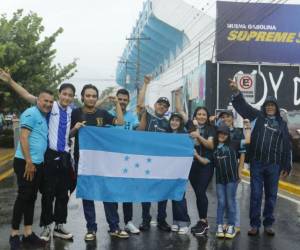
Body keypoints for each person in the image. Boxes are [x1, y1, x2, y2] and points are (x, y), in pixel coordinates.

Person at [0, 68, 76, 241]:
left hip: (63, 158)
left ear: (73, 97)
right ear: (59, 94)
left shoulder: (71, 110)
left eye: (70, 95)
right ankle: (45, 228)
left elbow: (91, 109)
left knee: (62, 195)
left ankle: (57, 226)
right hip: (47, 157)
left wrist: (75, 130)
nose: (66, 97)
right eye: (64, 94)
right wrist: (10, 81)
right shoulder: (49, 106)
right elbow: (27, 95)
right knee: (46, 194)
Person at [229, 79, 292, 236]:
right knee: (256, 195)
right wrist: (237, 92)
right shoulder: (257, 116)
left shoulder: (282, 124)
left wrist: (286, 166)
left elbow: (287, 146)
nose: (270, 107)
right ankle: (254, 224)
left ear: (276, 108)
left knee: (271, 196)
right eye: (268, 105)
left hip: (274, 165)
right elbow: (243, 107)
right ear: (265, 107)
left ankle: (268, 223)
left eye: (273, 105)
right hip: (257, 163)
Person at [70, 84, 124, 241]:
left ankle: (114, 226)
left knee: (108, 192)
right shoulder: (75, 113)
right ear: (82, 97)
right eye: (88, 95)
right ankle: (91, 229)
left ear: (97, 98)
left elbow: (120, 122)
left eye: (94, 96)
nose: (91, 98)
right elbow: (69, 134)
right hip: (84, 161)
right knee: (88, 195)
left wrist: (117, 104)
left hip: (103, 161)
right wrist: (76, 128)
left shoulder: (102, 113)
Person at [9, 90, 54, 250]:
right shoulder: (31, 113)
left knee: (31, 198)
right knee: (23, 197)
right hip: (25, 162)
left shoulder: (42, 116)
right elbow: (23, 137)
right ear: (38, 100)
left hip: (37, 164)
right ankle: (14, 234)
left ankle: (28, 234)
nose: (48, 104)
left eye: (50, 102)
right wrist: (28, 161)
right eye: (45, 101)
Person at [97, 88, 140, 235]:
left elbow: (139, 132)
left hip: (127, 159)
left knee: (127, 192)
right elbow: (91, 109)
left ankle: (128, 222)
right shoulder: (107, 114)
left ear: (128, 101)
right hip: (110, 159)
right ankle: (114, 224)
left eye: (124, 100)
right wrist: (104, 100)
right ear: (115, 100)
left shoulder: (132, 116)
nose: (122, 102)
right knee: (112, 192)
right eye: (119, 99)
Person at [175, 89, 215, 236]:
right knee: (198, 194)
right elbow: (180, 110)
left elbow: (210, 145)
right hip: (191, 165)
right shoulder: (191, 125)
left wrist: (198, 135)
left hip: (206, 164)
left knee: (200, 191)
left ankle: (204, 221)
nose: (201, 116)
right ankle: (201, 221)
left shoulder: (212, 129)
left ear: (207, 116)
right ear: (195, 116)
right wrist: (178, 95)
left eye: (204, 114)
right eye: (199, 114)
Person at [137, 76, 171, 232]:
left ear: (167, 109)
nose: (162, 107)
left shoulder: (169, 123)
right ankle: (145, 219)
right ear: (155, 104)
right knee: (146, 191)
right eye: (160, 104)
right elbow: (140, 103)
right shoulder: (149, 114)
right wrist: (145, 84)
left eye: (165, 106)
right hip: (147, 161)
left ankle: (162, 219)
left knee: (162, 192)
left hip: (162, 163)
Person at [217, 110, 251, 233]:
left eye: (228, 116)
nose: (226, 118)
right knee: (222, 200)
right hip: (221, 171)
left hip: (232, 170)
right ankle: (225, 223)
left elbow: (242, 152)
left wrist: (240, 171)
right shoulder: (218, 131)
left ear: (232, 118)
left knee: (231, 199)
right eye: (223, 117)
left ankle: (234, 224)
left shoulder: (237, 132)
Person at [167, 112, 191, 235]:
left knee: (179, 195)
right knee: (173, 195)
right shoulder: (167, 134)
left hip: (181, 170)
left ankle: (184, 221)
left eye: (177, 120)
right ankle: (176, 221)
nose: (174, 122)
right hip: (169, 170)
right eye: (172, 120)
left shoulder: (184, 135)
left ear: (180, 123)